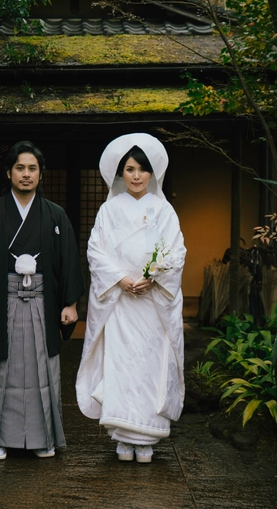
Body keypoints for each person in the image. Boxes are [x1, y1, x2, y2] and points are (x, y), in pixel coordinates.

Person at [0, 141, 84, 460]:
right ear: (8, 173)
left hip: (43, 303)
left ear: (41, 173)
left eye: (32, 168)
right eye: (20, 168)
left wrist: (70, 303)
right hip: (2, 303)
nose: (26, 174)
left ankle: (43, 438)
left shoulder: (55, 216)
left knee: (43, 370)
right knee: (3, 372)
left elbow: (69, 261)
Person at [75, 133, 186, 464]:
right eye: (130, 169)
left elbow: (176, 252)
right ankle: (123, 437)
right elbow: (95, 251)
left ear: (152, 173)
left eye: (143, 169)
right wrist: (120, 279)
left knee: (151, 364)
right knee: (121, 364)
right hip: (120, 302)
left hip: (152, 304)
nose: (137, 176)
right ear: (120, 173)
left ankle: (147, 437)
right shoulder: (109, 209)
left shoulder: (164, 210)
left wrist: (154, 278)